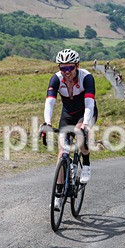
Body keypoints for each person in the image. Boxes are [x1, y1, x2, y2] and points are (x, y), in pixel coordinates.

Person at [40, 49, 97, 210]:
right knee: (61, 152)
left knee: (80, 134)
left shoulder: (86, 78)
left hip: (85, 113)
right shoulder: (56, 79)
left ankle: (85, 164)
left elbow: (89, 104)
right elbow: (49, 102)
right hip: (67, 115)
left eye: (69, 68)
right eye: (62, 68)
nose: (66, 72)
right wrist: (47, 122)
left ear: (77, 66)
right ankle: (58, 196)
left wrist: (85, 124)